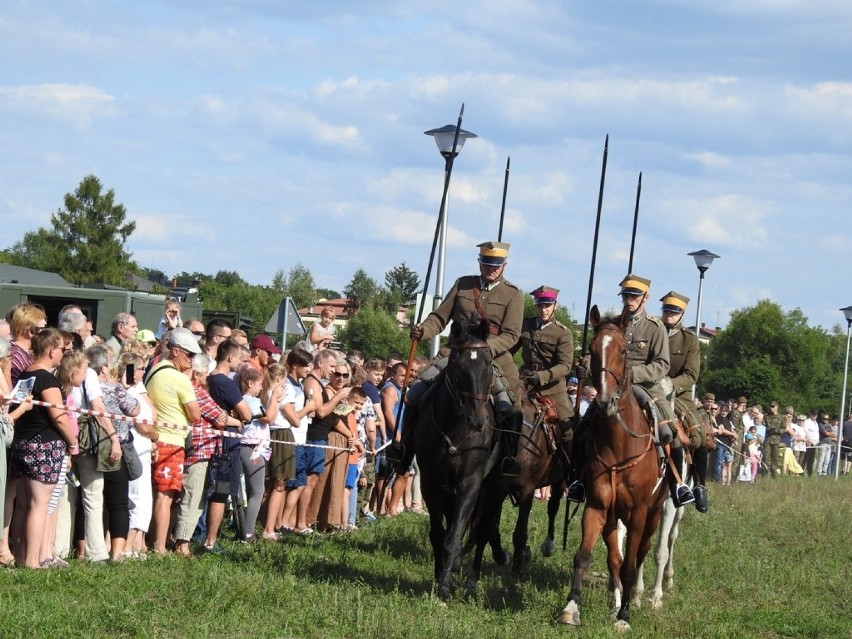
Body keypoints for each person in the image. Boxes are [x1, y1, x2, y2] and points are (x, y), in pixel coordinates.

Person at [568, 274, 693, 507]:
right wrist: (587, 361)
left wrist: (633, 375)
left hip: (647, 387)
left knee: (669, 430)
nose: (629, 300)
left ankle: (677, 485)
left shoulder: (655, 327)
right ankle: (578, 481)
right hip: (615, 389)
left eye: (634, 296)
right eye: (626, 295)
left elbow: (662, 365)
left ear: (645, 298)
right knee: (583, 428)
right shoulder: (612, 324)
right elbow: (602, 352)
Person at [406, 241, 524, 474]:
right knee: (415, 392)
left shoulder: (513, 294)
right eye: (487, 263)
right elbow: (439, 318)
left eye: (496, 265)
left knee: (513, 404)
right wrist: (423, 331)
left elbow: (511, 335)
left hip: (494, 355)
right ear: (480, 262)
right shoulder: (463, 284)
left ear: (504, 265)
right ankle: (404, 450)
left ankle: (508, 458)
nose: (491, 268)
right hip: (455, 352)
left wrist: (481, 348)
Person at [8, 328, 74, 567]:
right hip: (43, 446)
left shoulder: (25, 374)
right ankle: (33, 561)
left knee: (25, 503)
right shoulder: (47, 378)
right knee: (39, 505)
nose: (63, 354)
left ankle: (22, 555)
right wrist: (73, 443)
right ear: (50, 350)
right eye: (62, 350)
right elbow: (59, 416)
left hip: (23, 443)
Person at [144, 327, 202, 554]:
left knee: (157, 494)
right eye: (189, 354)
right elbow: (195, 415)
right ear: (176, 351)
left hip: (155, 438)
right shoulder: (179, 378)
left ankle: (151, 541)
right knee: (165, 496)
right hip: (171, 441)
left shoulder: (154, 370)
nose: (192, 360)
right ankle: (159, 546)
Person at [658, 291, 708, 511]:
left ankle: (698, 486)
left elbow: (691, 374)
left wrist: (670, 385)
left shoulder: (690, 339)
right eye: (667, 310)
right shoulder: (653, 331)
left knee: (699, 436)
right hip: (649, 390)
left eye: (674, 311)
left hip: (678, 395)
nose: (669, 314)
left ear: (682, 314)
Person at [512, 285, 574, 451]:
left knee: (566, 427)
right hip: (524, 382)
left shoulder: (563, 333)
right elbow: (509, 349)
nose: (543, 310)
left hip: (552, 388)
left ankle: (568, 471)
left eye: (547, 305)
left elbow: (565, 366)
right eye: (540, 305)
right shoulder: (525, 325)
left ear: (555, 305)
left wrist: (541, 376)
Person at [763, 401, 785, 476]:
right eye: (770, 406)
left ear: (777, 407)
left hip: (776, 439)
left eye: (773, 407)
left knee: (774, 458)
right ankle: (764, 473)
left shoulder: (781, 417)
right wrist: (768, 429)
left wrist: (777, 431)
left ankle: (774, 474)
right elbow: (763, 426)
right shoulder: (766, 416)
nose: (771, 408)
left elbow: (784, 428)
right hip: (768, 439)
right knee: (765, 456)